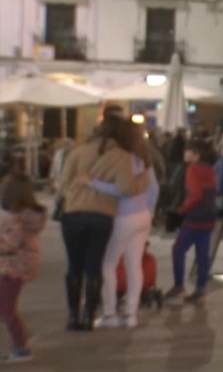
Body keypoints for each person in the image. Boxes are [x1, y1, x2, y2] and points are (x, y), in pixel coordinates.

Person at [56, 114, 150, 331]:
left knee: (74, 266)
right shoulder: (122, 156)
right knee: (94, 265)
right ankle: (89, 316)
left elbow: (62, 185)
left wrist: (78, 189)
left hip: (74, 213)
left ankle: (73, 317)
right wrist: (142, 180)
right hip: (101, 215)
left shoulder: (77, 152)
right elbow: (127, 188)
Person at [85, 120, 159, 328]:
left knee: (107, 264)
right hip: (143, 216)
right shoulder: (143, 158)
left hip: (123, 217)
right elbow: (154, 188)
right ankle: (131, 314)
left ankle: (110, 314)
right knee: (133, 264)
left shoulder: (122, 159)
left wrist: (93, 183)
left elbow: (122, 190)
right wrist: (150, 212)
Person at [0, 172, 47, 362]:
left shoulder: (15, 219)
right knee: (7, 307)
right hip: (19, 267)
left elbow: (10, 244)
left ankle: (22, 346)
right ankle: (21, 343)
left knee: (6, 308)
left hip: (12, 267)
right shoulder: (29, 216)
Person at [165, 140, 217, 305]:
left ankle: (179, 286)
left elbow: (195, 195)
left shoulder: (192, 170)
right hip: (209, 216)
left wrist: (182, 210)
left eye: (189, 151)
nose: (185, 153)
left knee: (178, 250)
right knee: (202, 254)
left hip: (194, 217)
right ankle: (200, 291)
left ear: (196, 155)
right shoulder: (209, 170)